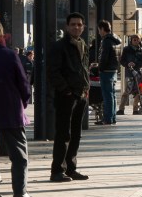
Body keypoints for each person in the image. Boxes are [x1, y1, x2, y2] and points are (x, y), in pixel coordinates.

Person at [0, 21, 34, 197]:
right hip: (11, 108)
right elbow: (23, 83)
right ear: (1, 34)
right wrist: (24, 102)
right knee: (19, 153)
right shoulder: (10, 55)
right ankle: (20, 190)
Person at [46, 13, 90, 182]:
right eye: (73, 24)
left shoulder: (83, 45)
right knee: (64, 133)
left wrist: (85, 90)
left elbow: (84, 69)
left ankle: (71, 168)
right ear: (67, 27)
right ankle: (57, 170)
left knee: (76, 133)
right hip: (67, 96)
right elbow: (53, 71)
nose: (76, 27)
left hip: (81, 94)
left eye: (79, 24)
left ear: (83, 27)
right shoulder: (59, 47)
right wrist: (66, 90)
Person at [96, 20, 121, 125]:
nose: (98, 32)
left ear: (102, 29)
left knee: (107, 96)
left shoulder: (106, 41)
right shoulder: (116, 40)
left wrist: (99, 67)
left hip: (106, 71)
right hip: (114, 70)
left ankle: (107, 118)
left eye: (99, 30)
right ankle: (112, 117)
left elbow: (104, 57)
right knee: (112, 95)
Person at [118, 34, 142, 115]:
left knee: (138, 92)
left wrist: (136, 64)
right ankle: (121, 109)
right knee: (127, 91)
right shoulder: (126, 49)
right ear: (131, 41)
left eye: (138, 40)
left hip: (138, 73)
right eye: (134, 40)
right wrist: (127, 64)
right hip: (129, 73)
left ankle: (135, 110)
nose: (136, 41)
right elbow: (122, 60)